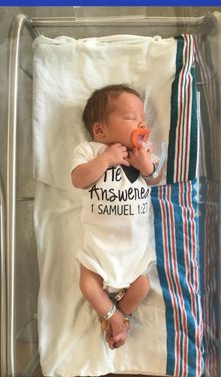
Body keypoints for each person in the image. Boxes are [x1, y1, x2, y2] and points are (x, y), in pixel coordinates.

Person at [71, 84, 160, 350]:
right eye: (132, 118)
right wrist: (107, 159)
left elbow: (154, 179)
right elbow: (78, 179)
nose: (141, 122)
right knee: (87, 284)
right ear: (100, 130)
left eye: (142, 118)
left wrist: (145, 165)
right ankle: (117, 319)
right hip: (99, 247)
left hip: (132, 248)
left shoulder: (142, 153)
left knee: (142, 286)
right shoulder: (89, 151)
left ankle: (118, 316)